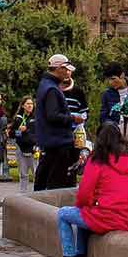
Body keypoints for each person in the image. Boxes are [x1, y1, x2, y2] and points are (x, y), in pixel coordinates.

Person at [50, 122, 128, 257]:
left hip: (107, 218)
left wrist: (86, 207)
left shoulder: (97, 160)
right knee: (85, 215)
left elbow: (84, 194)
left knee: (63, 214)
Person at [31, 54, 84, 191]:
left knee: (43, 178)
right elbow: (53, 115)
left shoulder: (45, 85)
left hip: (50, 142)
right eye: (66, 69)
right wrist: (73, 118)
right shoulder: (52, 89)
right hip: (57, 142)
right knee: (57, 184)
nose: (68, 73)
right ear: (58, 68)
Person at [10, 97, 37, 194]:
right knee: (23, 173)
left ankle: (37, 194)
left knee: (36, 173)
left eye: (31, 104)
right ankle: (23, 194)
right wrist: (19, 132)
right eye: (27, 104)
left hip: (34, 149)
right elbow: (11, 134)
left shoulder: (37, 118)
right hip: (21, 149)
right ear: (23, 106)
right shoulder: (18, 118)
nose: (30, 106)